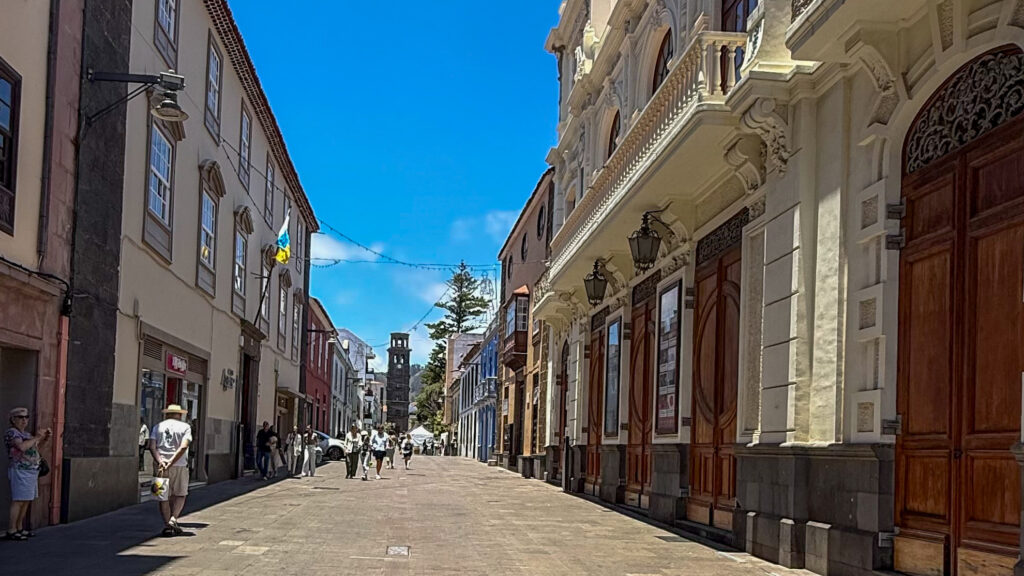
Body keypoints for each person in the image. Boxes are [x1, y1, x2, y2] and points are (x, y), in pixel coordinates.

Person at [5, 408, 50, 541]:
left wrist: (45, 439)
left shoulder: (27, 435)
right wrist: (37, 437)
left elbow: (37, 450)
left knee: (26, 500)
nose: (24, 420)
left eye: (26, 417)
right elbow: (22, 447)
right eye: (20, 417)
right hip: (20, 470)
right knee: (18, 500)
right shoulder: (12, 433)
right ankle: (12, 529)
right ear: (13, 419)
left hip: (31, 471)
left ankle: (19, 527)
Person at [149, 404, 192, 537]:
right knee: (180, 494)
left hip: (160, 467)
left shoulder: (158, 426)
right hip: (180, 465)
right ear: (179, 414)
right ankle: (173, 519)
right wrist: (172, 461)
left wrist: (161, 461)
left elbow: (151, 446)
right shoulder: (185, 427)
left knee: (163, 496)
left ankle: (168, 525)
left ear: (167, 414)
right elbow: (184, 447)